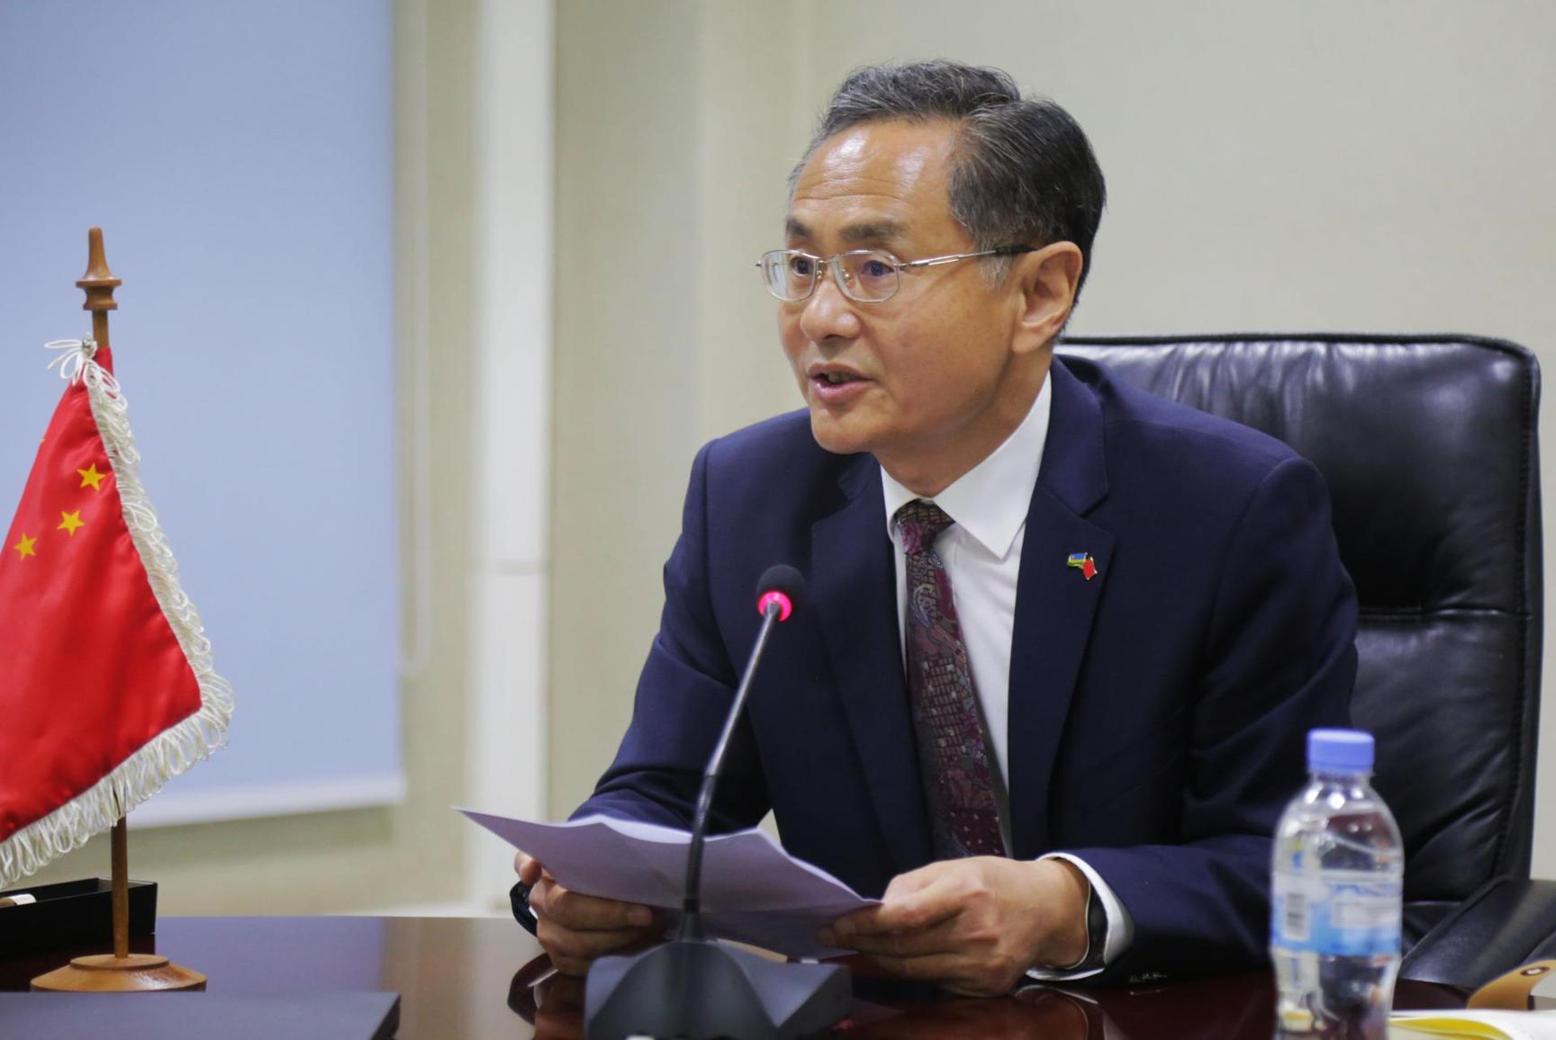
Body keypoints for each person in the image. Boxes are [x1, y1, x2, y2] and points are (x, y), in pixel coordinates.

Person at [513, 60, 1355, 994]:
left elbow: (1296, 862)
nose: (820, 317)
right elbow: (669, 790)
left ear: (1039, 294)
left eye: (875, 269)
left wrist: (1068, 906)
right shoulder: (749, 497)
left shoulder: (1227, 511)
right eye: (802, 267)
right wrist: (591, 884)